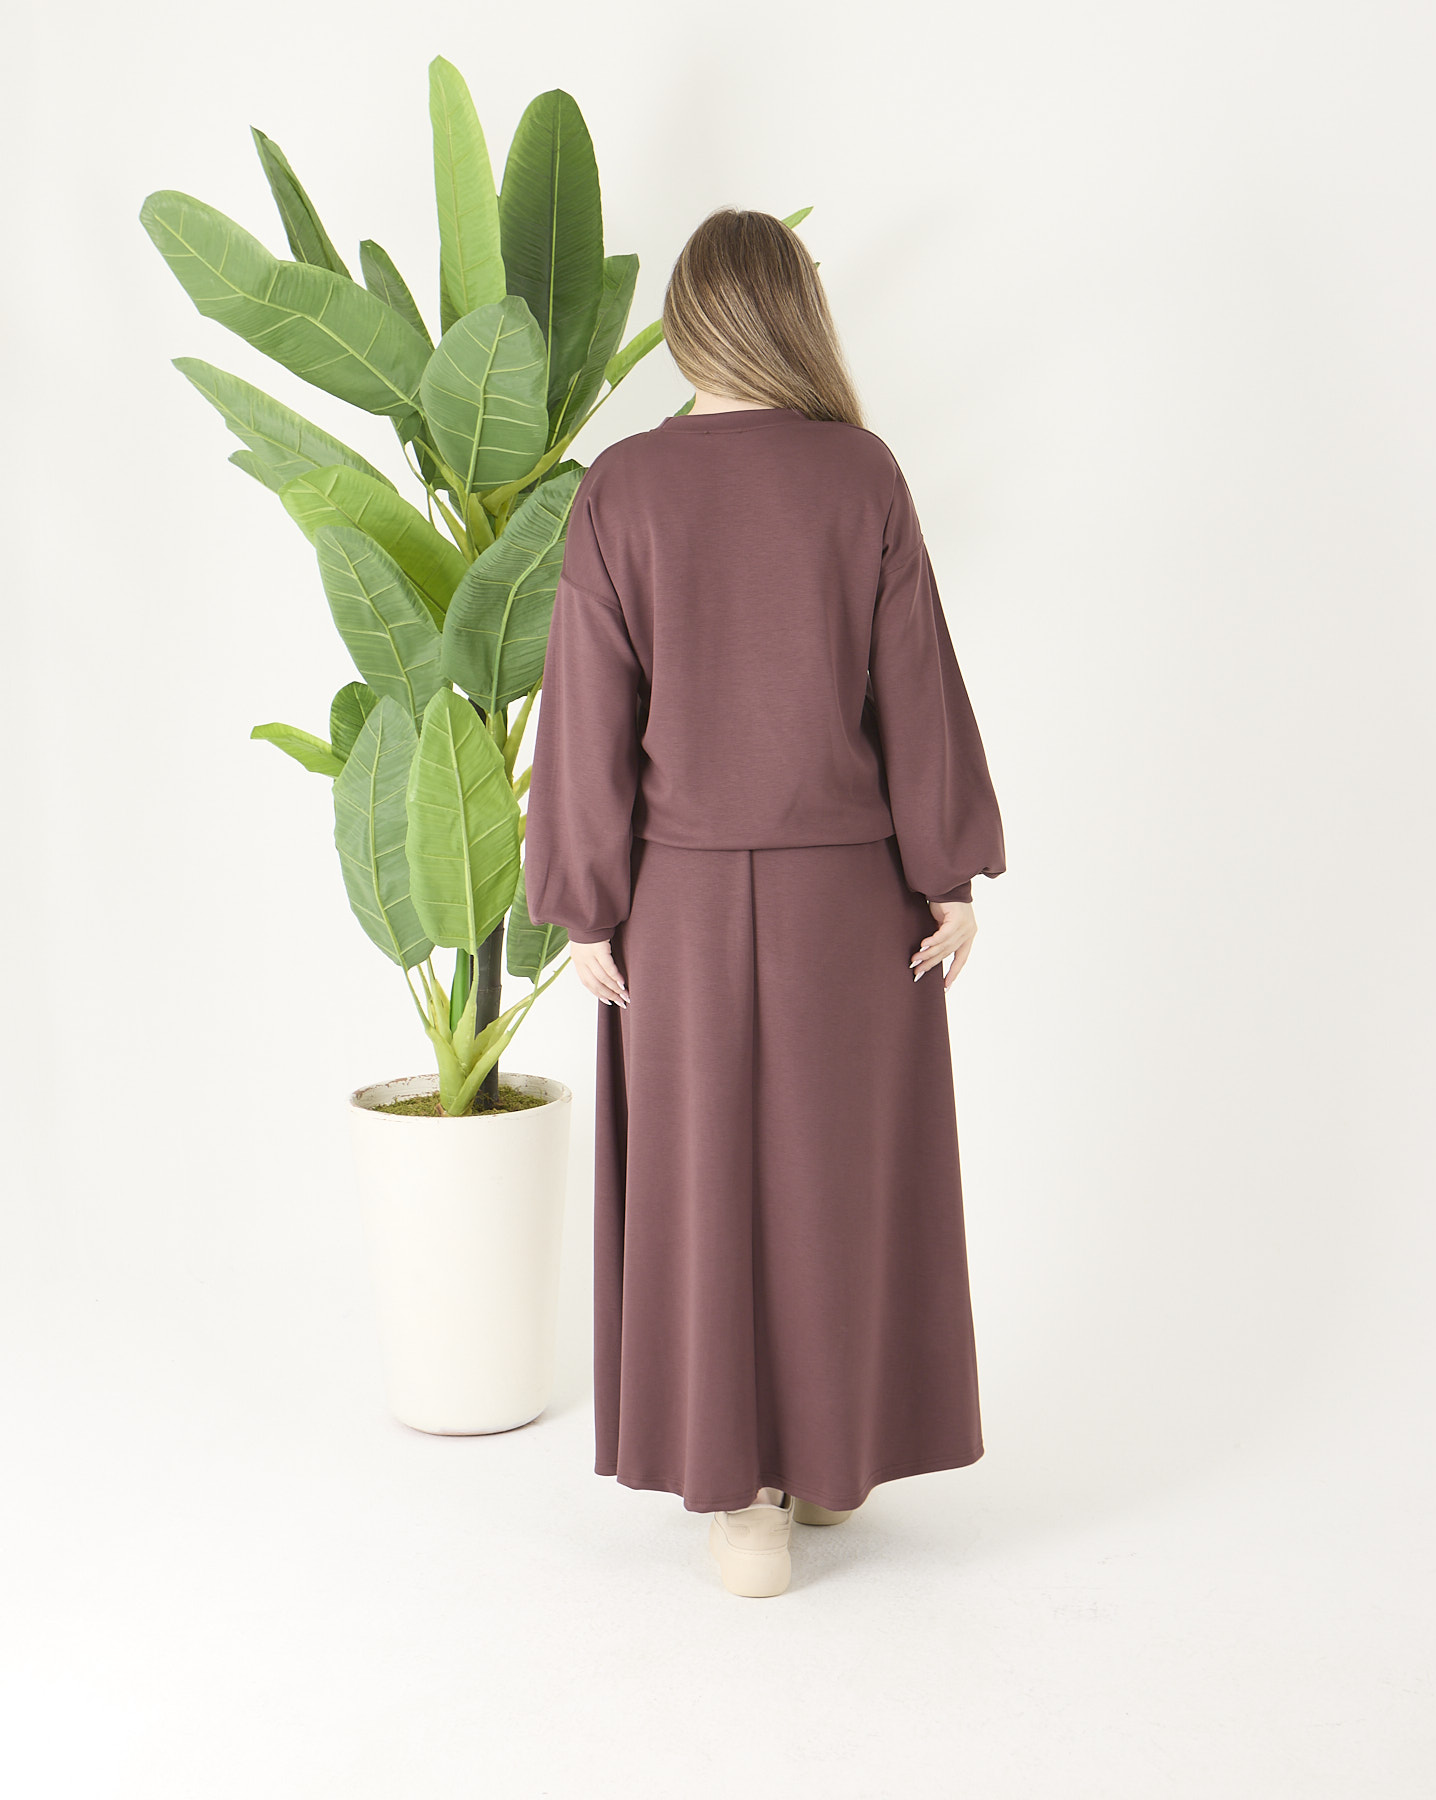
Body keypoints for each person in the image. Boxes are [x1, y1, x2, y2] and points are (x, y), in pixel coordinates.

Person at [523, 207, 1006, 1598]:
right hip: (849, 904)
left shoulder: (623, 487)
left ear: (686, 325)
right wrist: (946, 872)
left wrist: (586, 904)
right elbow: (914, 690)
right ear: (795, 316)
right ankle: (828, 1460)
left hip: (672, 907)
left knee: (701, 1189)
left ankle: (744, 1506)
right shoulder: (861, 475)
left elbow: (587, 712)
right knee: (836, 1180)